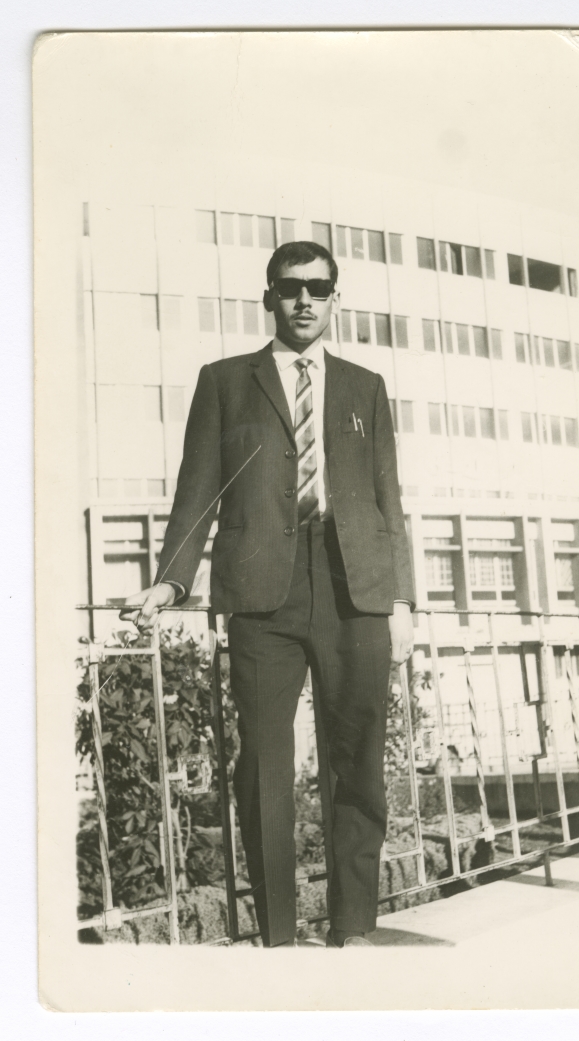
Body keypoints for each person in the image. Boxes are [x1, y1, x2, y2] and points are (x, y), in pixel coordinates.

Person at [122, 240, 415, 947]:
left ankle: (351, 927)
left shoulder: (365, 386)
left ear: (336, 299)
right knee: (262, 764)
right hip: (261, 595)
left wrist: (403, 600)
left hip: (356, 590)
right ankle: (278, 935)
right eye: (291, 288)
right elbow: (197, 488)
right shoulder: (226, 382)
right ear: (269, 298)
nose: (305, 300)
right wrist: (172, 577)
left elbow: (386, 496)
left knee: (357, 760)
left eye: (319, 288)